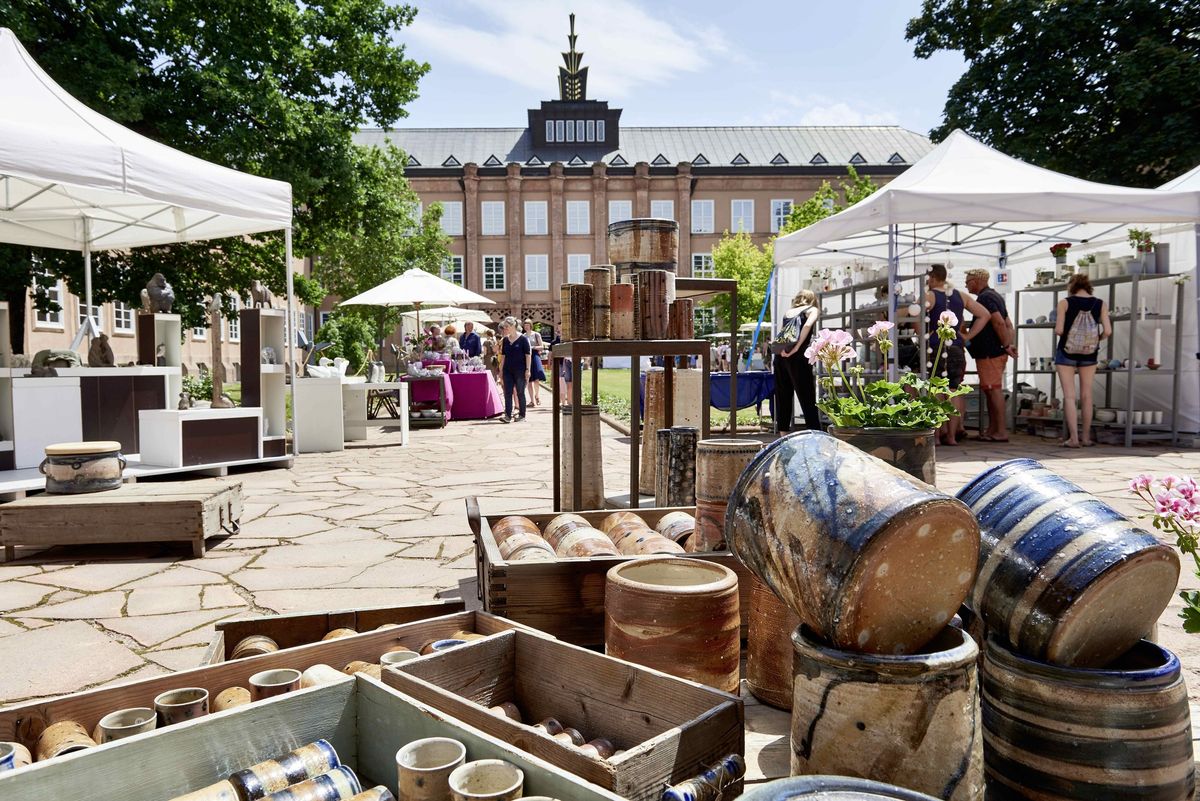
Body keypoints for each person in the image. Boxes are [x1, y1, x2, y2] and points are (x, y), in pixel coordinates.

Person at [925, 264, 991, 445]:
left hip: (936, 346)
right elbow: (984, 314)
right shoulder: (961, 295)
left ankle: (937, 436)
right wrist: (967, 336)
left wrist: (924, 335)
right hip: (956, 347)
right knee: (954, 390)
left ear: (932, 278)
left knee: (937, 389)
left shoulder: (930, 295)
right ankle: (952, 436)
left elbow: (917, 317)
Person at [1054, 273, 1111, 448]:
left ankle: (1073, 439)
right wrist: (1095, 340)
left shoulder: (1064, 302)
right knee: (1087, 396)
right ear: (1088, 286)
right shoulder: (1100, 303)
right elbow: (1108, 331)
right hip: (1089, 354)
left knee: (1070, 397)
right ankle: (1086, 437)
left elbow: (1058, 330)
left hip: (1066, 353)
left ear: (1071, 286)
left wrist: (1071, 337)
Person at [963, 268, 1017, 442]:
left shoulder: (986, 298)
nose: (966, 284)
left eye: (968, 280)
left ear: (977, 281)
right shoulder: (995, 296)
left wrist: (1006, 344)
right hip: (994, 352)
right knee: (989, 390)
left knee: (994, 390)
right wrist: (1008, 345)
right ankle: (993, 429)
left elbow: (1000, 322)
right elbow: (1008, 324)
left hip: (990, 352)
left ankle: (1000, 431)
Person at [774, 289, 822, 432]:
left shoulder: (788, 312)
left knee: (783, 395)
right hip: (798, 356)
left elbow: (782, 334)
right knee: (806, 395)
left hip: (781, 355)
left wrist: (784, 350)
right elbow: (807, 325)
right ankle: (814, 432)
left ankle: (783, 434)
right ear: (812, 298)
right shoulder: (812, 309)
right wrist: (797, 347)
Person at [498, 317, 531, 422]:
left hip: (520, 370)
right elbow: (503, 356)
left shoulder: (523, 339)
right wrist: (501, 370)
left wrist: (528, 370)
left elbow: (528, 355)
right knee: (508, 392)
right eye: (504, 327)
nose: (505, 329)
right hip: (508, 370)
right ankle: (508, 415)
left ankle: (522, 415)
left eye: (507, 326)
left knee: (520, 392)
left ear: (513, 326)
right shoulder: (506, 340)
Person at [522, 319, 547, 407]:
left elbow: (542, 347)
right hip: (526, 357)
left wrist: (532, 347)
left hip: (535, 356)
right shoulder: (523, 336)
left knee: (536, 379)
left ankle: (537, 396)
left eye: (528, 325)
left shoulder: (536, 334)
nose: (526, 326)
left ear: (531, 325)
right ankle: (532, 401)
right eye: (525, 325)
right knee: (528, 380)